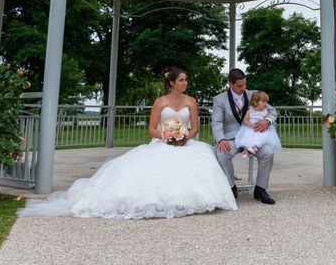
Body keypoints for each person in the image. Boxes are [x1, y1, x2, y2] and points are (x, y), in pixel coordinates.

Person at [18, 67, 236, 219]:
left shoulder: (191, 101)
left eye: (186, 80)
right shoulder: (160, 102)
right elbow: (151, 128)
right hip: (163, 142)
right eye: (181, 80)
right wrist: (167, 137)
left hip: (186, 144)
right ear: (171, 82)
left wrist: (185, 137)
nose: (185, 83)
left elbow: (196, 127)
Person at [212, 68, 278, 205]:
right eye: (239, 86)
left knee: (268, 152)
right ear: (230, 84)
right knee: (222, 153)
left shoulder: (254, 95)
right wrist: (221, 139)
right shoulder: (219, 99)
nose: (243, 88)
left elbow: (273, 111)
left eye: (245, 84)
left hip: (253, 137)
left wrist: (267, 121)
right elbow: (216, 122)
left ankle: (260, 189)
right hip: (231, 138)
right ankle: (231, 188)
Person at [235, 90, 282, 156]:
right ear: (256, 102)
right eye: (263, 102)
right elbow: (245, 120)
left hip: (260, 130)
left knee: (261, 138)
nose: (265, 104)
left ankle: (255, 147)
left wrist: (266, 122)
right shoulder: (250, 111)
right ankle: (246, 150)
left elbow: (267, 120)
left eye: (266, 102)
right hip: (250, 129)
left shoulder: (265, 112)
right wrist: (251, 125)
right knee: (247, 139)